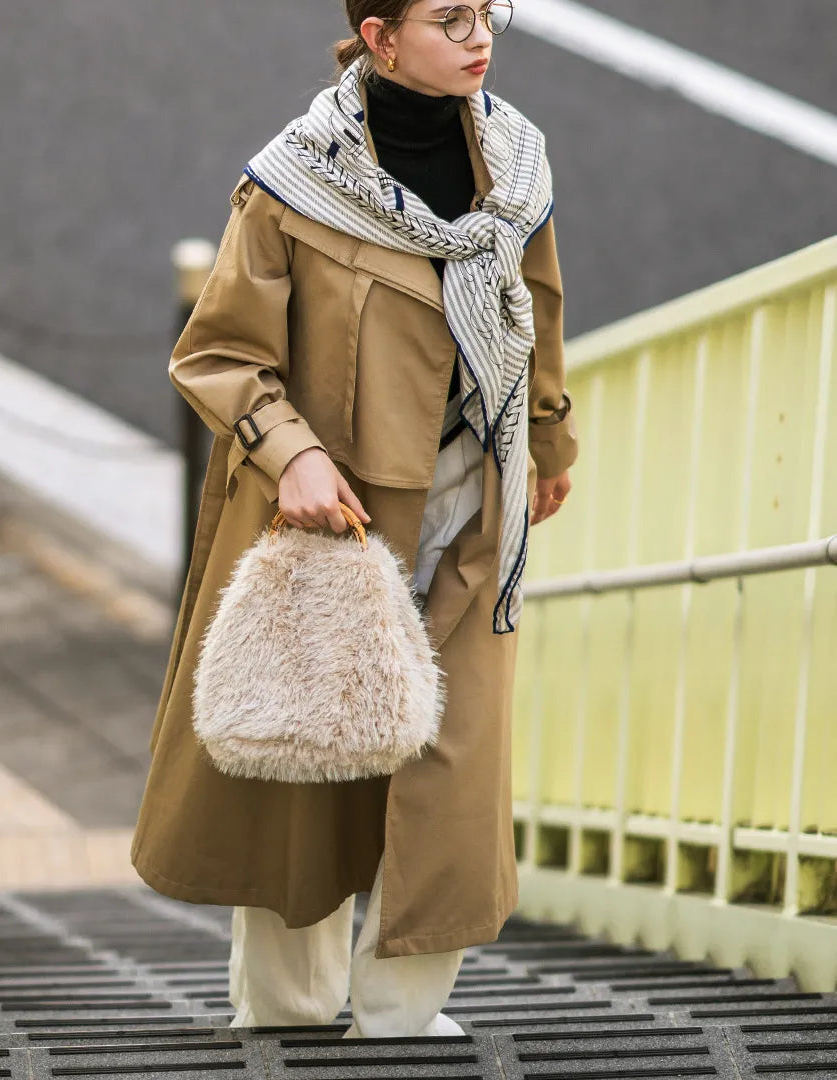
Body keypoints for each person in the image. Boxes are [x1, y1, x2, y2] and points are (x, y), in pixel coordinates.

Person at [130, 0, 579, 1038]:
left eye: (490, 13)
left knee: (453, 760)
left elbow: (538, 315)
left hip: (473, 503)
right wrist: (289, 457)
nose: (480, 36)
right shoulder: (293, 179)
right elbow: (219, 354)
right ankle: (286, 1010)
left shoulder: (515, 166)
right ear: (380, 36)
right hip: (333, 516)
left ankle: (404, 1017)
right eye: (450, 17)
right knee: (311, 759)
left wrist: (548, 445)